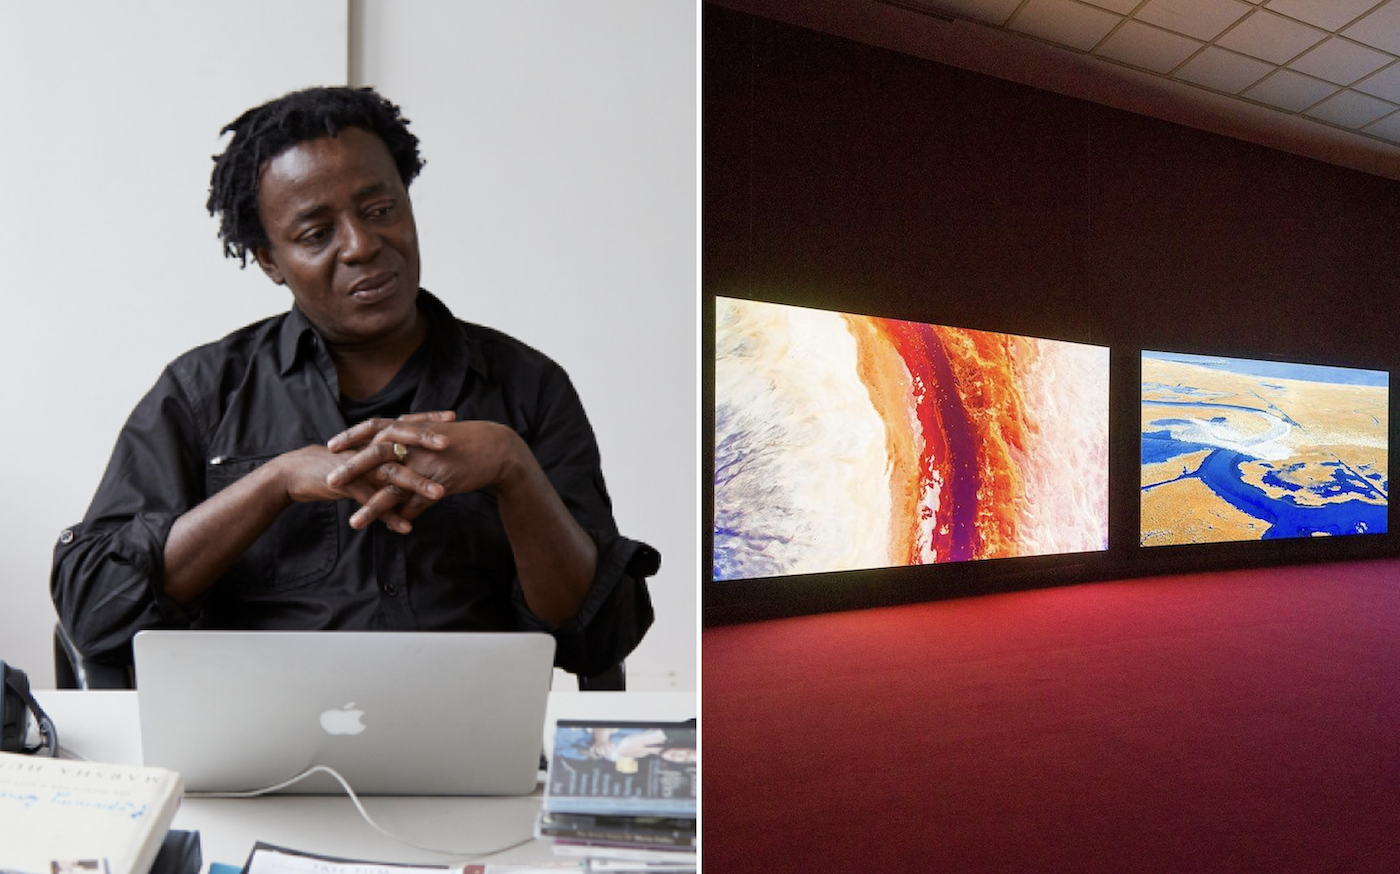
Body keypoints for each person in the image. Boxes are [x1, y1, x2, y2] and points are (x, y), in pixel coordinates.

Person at [50, 86, 657, 680]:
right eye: (316, 234)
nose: (363, 246)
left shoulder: (528, 386)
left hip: (470, 749)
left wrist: (513, 470)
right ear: (269, 260)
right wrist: (274, 483)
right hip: (255, 751)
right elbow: (97, 613)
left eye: (379, 210)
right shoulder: (203, 392)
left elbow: (597, 636)